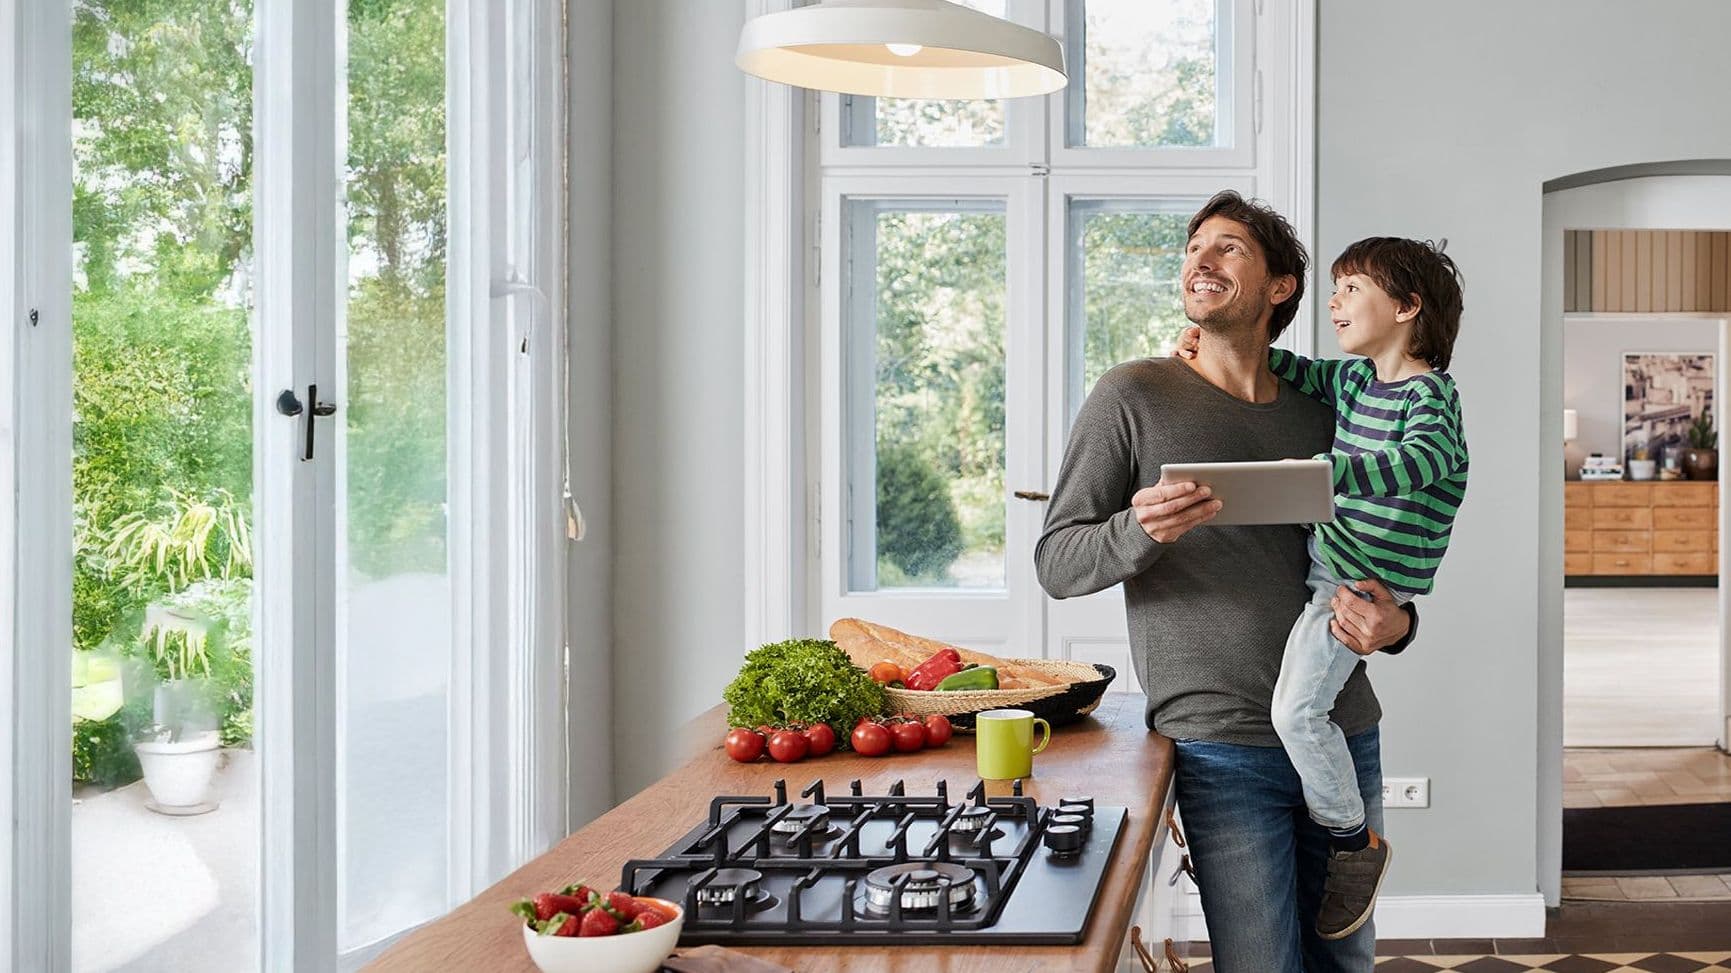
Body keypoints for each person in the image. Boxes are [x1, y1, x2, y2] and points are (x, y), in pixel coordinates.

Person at [1034, 190, 1419, 972]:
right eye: (1192, 246)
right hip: (1219, 747)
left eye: (1229, 247)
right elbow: (1058, 561)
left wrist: (1400, 626)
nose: (1199, 260)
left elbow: (1385, 549)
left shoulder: (1326, 407)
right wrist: (1139, 529)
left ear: (1280, 287)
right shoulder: (1131, 395)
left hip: (1341, 727)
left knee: (1346, 962)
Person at [1176, 237, 1467, 940]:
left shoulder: (1429, 398)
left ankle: (1349, 843)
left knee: (1296, 714)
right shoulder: (1355, 382)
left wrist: (1323, 477)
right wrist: (1206, 346)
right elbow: (1293, 367)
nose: (1332, 303)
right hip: (1333, 574)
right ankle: (1346, 837)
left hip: (1349, 589)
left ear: (1404, 307)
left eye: (1350, 290)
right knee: (1300, 711)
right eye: (1332, 289)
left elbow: (1422, 460)